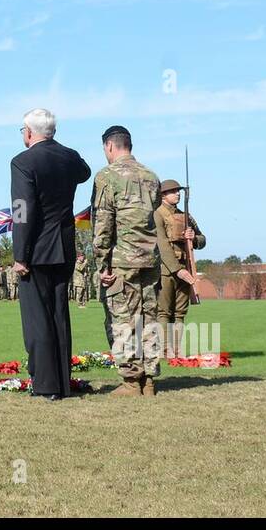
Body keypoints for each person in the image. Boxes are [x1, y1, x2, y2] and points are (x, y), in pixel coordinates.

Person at [10, 108, 91, 401]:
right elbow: (85, 172)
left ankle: (46, 385)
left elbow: (21, 210)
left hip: (37, 250)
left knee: (37, 318)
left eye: (22, 130)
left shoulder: (22, 162)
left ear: (30, 132)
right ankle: (63, 384)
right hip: (65, 245)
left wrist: (20, 254)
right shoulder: (70, 157)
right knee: (59, 315)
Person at [93, 125, 162, 397]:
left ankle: (131, 382)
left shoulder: (107, 177)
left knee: (122, 319)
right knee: (148, 318)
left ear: (110, 146)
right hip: (149, 260)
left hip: (121, 261)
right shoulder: (151, 176)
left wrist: (102, 265)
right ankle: (149, 381)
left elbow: (103, 224)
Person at [155, 179, 206, 357]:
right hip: (166, 269)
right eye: (172, 191)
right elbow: (161, 244)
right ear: (163, 195)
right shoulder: (157, 214)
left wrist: (194, 237)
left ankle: (176, 350)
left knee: (180, 312)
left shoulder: (186, 216)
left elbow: (202, 239)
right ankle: (163, 350)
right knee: (164, 311)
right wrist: (178, 270)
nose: (177, 194)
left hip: (186, 266)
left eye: (178, 191)